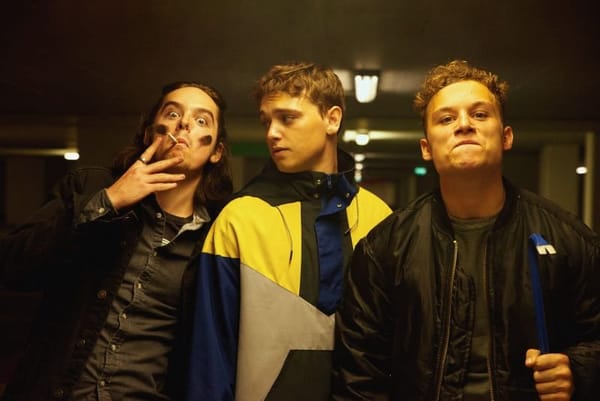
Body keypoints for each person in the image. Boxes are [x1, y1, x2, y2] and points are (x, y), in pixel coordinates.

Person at [332, 60, 600, 401]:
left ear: (506, 137)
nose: (464, 125)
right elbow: (358, 372)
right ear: (426, 148)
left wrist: (578, 371)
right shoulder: (386, 247)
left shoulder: (568, 239)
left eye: (480, 114)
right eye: (446, 119)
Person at [0, 81, 233, 401]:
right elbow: (13, 266)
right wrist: (108, 202)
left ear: (216, 151)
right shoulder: (89, 186)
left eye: (201, 120)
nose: (183, 124)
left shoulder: (217, 236)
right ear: (150, 134)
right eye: (172, 113)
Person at [186, 61, 392, 401]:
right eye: (266, 121)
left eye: (287, 118)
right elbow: (210, 356)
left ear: (332, 119)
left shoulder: (379, 217)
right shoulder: (240, 217)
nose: (271, 133)